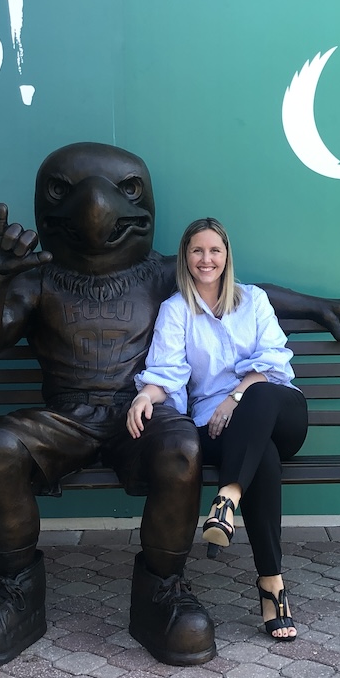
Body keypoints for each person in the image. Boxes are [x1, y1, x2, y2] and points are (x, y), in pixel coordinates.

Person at [0, 143, 340, 668]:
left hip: (144, 416)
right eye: (67, 191)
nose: (95, 209)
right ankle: (14, 587)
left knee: (181, 448)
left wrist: (317, 305)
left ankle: (163, 588)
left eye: (124, 191)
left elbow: (245, 292)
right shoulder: (39, 278)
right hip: (66, 418)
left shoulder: (160, 276)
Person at [127, 217, 308, 642]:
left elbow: (275, 362)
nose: (206, 259)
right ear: (186, 258)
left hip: (280, 412)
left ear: (227, 257)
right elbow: (167, 373)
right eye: (197, 251)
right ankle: (272, 585)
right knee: (259, 457)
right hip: (220, 431)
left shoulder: (254, 300)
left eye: (214, 251)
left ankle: (228, 494)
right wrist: (144, 397)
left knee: (259, 399)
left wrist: (236, 396)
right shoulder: (176, 311)